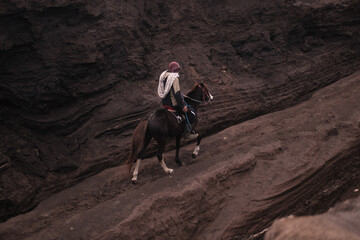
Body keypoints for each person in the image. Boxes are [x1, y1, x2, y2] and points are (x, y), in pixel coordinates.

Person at [157, 61, 198, 140]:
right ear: (175, 70)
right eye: (177, 70)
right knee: (191, 114)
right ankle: (187, 134)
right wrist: (183, 106)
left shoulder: (163, 76)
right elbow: (177, 94)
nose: (178, 72)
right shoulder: (174, 78)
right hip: (173, 104)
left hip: (165, 103)